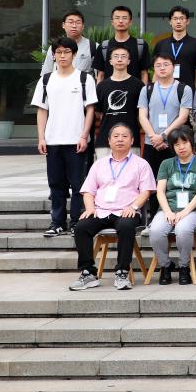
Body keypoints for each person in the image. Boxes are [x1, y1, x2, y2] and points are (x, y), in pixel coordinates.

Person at [69, 123, 155, 291]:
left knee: (126, 226)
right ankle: (88, 273)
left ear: (132, 140)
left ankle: (122, 272)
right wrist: (90, 208)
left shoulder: (141, 164)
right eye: (116, 136)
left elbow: (146, 191)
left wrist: (134, 206)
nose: (120, 139)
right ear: (109, 141)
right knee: (81, 227)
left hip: (126, 211)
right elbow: (88, 191)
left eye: (124, 136)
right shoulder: (99, 164)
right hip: (101, 211)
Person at [33, 37, 98, 237]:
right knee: (56, 184)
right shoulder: (46, 80)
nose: (62, 56)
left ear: (74, 54)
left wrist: (84, 136)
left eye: (67, 52)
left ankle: (77, 222)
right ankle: (57, 222)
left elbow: (90, 109)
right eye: (59, 52)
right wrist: (41, 138)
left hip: (76, 140)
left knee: (78, 184)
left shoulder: (84, 79)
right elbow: (42, 110)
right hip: (52, 140)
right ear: (53, 55)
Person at [148, 127, 196, 285]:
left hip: (193, 211)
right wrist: (168, 211)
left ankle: (184, 266)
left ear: (191, 143)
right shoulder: (166, 164)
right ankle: (166, 265)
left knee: (183, 229)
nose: (181, 147)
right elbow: (160, 191)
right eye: (177, 144)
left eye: (184, 142)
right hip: (167, 210)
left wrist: (185, 211)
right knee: (155, 231)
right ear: (172, 147)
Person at [137, 53, 193, 177]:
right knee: (150, 181)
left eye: (166, 64)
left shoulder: (184, 89)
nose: (162, 68)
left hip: (175, 143)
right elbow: (142, 116)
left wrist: (162, 136)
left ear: (174, 67)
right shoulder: (147, 89)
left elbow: (183, 117)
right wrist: (154, 138)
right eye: (158, 65)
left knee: (175, 181)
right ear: (154, 68)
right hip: (151, 143)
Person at [94, 45, 143, 160]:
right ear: (110, 61)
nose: (119, 59)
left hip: (131, 141)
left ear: (129, 61)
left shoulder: (138, 85)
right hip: (105, 141)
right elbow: (98, 114)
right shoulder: (101, 86)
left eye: (123, 56)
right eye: (116, 56)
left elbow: (141, 114)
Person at [152, 5, 196, 91]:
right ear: (170, 21)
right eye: (175, 18)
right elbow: (156, 71)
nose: (178, 21)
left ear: (187, 21)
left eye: (182, 18)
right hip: (163, 92)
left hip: (187, 91)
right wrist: (152, 92)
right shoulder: (161, 44)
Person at [93, 5, 150, 84]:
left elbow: (144, 73)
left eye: (124, 18)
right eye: (117, 18)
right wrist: (99, 90)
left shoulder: (140, 45)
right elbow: (100, 75)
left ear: (130, 22)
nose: (120, 21)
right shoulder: (104, 46)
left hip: (134, 90)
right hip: (109, 90)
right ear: (112, 22)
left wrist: (143, 91)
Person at [40, 9, 96, 75]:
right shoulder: (55, 47)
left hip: (84, 81)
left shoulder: (93, 46)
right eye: (70, 22)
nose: (74, 26)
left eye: (78, 22)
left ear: (83, 26)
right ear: (63, 25)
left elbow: (99, 76)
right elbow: (46, 73)